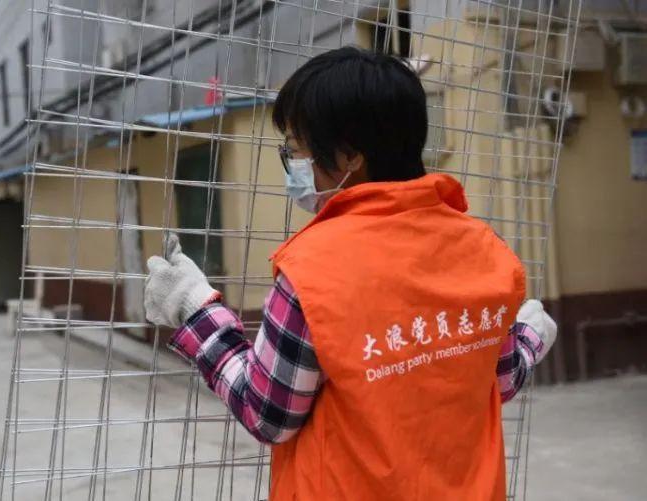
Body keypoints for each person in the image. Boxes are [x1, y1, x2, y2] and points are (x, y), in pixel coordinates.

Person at [143, 46, 557, 501]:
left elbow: (269, 414)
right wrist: (529, 337)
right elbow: (498, 380)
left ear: (349, 157)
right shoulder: (485, 250)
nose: (293, 168)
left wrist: (195, 309)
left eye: (295, 151)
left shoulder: (311, 272)